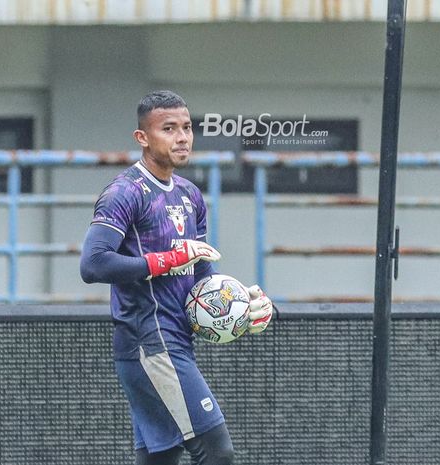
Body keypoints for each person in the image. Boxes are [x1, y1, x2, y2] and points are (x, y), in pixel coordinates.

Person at [79, 90, 274, 465]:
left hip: (176, 341)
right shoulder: (124, 193)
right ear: (143, 138)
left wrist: (241, 308)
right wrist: (164, 260)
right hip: (149, 343)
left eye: (186, 127)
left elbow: (201, 272)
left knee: (160, 459)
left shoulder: (189, 194)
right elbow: (93, 264)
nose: (182, 137)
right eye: (168, 129)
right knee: (216, 453)